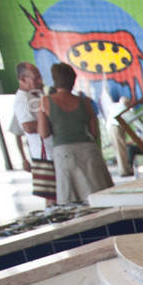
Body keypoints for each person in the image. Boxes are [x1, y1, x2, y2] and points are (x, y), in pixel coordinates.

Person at [36, 63, 114, 204]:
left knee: (72, 200)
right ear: (73, 80)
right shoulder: (85, 103)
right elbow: (94, 132)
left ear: (54, 80)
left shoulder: (46, 102)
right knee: (100, 196)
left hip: (64, 152)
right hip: (89, 152)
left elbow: (44, 133)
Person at [13, 61, 56, 204]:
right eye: (36, 78)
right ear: (23, 80)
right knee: (52, 196)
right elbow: (27, 127)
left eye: (40, 77)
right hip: (45, 155)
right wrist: (52, 123)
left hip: (52, 151)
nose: (40, 81)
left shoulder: (36, 95)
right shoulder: (22, 99)